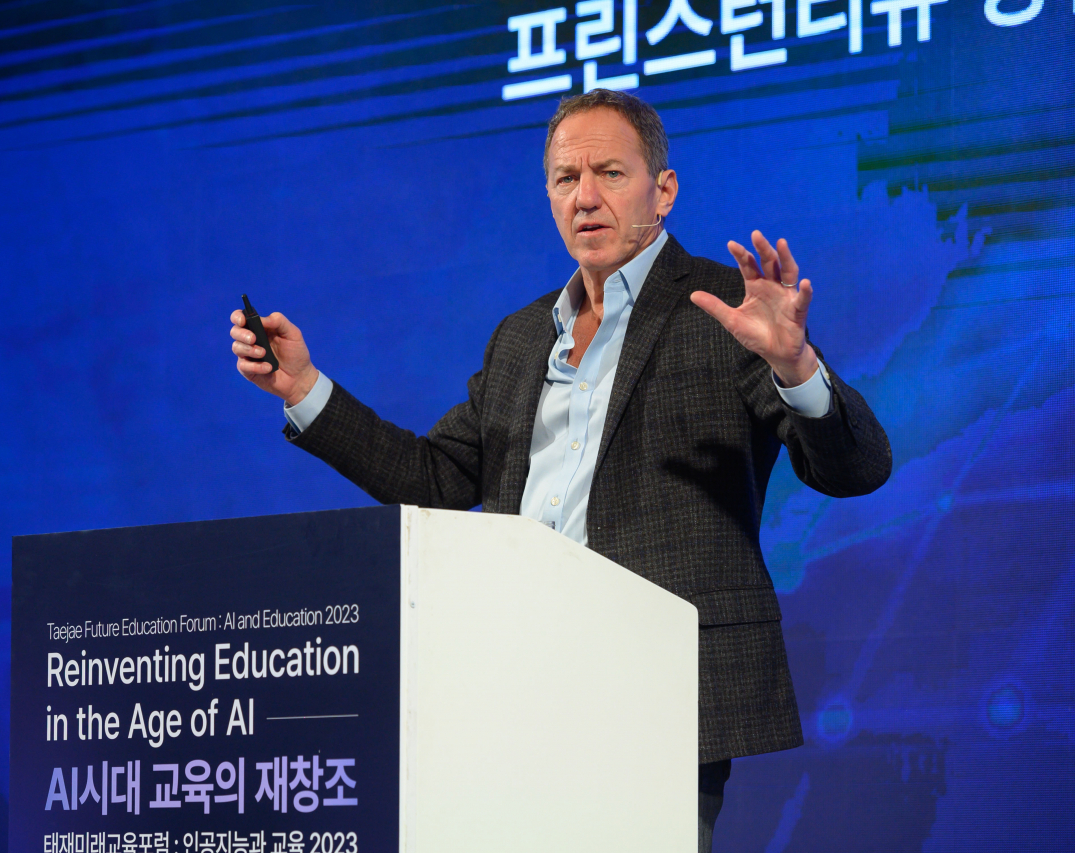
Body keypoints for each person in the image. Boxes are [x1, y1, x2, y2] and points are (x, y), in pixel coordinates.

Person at [229, 88, 891, 852]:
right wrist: (304, 389)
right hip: (517, 679)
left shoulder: (725, 307)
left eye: (609, 172)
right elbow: (436, 479)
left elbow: (857, 467)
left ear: (663, 190)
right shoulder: (520, 337)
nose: (585, 198)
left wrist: (797, 364)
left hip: (657, 686)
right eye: (564, 179)